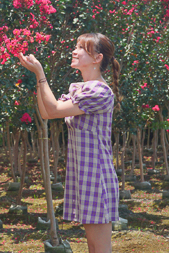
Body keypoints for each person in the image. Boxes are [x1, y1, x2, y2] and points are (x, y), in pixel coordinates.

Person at [18, 32, 120, 253]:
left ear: (97, 58)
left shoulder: (99, 92)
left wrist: (41, 73)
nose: (75, 51)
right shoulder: (81, 89)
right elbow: (46, 113)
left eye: (82, 48)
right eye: (76, 46)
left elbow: (53, 109)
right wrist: (38, 78)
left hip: (96, 176)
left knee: (100, 248)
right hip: (84, 175)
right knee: (92, 246)